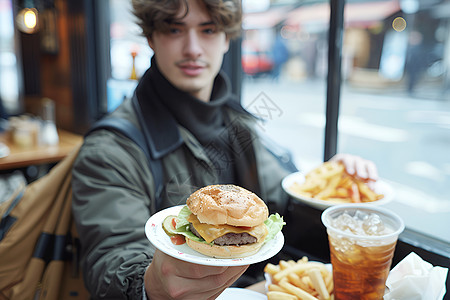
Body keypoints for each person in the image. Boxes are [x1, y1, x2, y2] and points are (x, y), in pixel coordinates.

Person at [71, 0, 378, 299]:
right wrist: (149, 285)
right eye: (174, 30)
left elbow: (284, 199)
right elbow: (108, 260)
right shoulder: (111, 148)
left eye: (208, 29)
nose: (193, 48)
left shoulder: (239, 122)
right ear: (152, 37)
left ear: (227, 38)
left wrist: (334, 186)